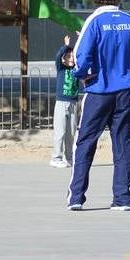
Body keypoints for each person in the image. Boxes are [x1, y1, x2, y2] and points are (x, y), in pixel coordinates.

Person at [66, 0, 130, 211]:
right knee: (122, 144)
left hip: (97, 91)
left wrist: (80, 75)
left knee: (84, 143)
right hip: (124, 91)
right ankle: (122, 198)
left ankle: (76, 198)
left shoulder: (93, 21)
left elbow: (81, 57)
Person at [50, 36, 81, 169]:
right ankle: (56, 158)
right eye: (68, 56)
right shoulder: (61, 69)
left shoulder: (77, 70)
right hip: (61, 103)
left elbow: (82, 55)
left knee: (71, 133)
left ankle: (69, 158)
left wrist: (80, 40)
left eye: (73, 56)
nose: (71, 58)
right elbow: (58, 56)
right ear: (64, 58)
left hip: (73, 103)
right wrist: (66, 46)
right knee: (60, 131)